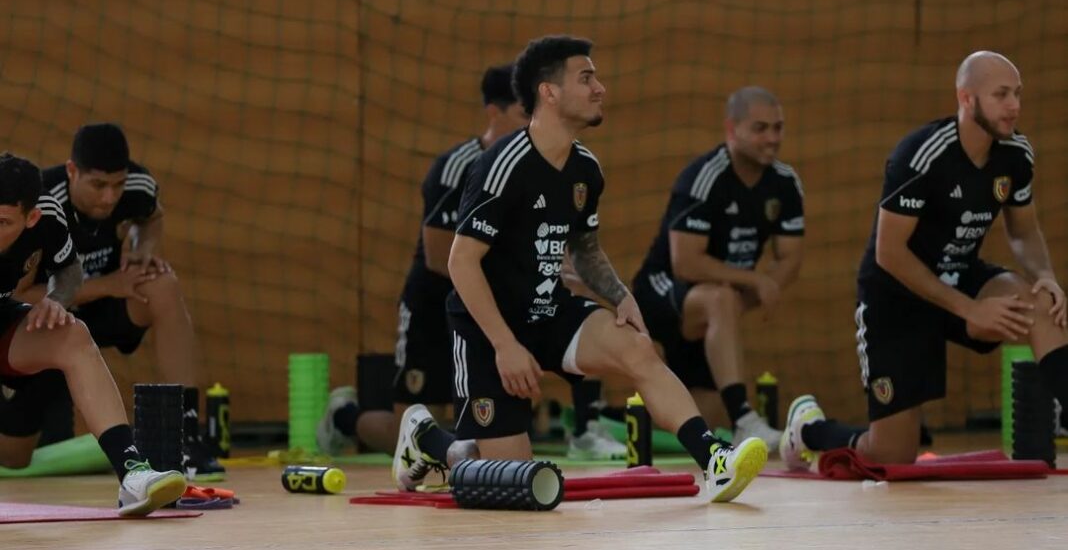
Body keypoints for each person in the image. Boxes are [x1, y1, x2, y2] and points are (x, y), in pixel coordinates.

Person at [391, 35, 767, 503]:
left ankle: (714, 460)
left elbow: (585, 248)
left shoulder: (586, 169)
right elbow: (460, 261)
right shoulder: (501, 166)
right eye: (586, 78)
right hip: (489, 331)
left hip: (550, 311)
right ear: (549, 92)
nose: (600, 88)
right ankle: (430, 441)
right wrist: (505, 346)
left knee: (638, 349)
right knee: (515, 483)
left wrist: (621, 296)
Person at [317, 64, 625, 461]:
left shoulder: (546, 164)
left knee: (576, 316)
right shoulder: (459, 164)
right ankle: (344, 417)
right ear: (494, 113)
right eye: (521, 113)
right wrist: (512, 278)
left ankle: (585, 427)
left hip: (496, 303)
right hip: (435, 300)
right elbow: (437, 253)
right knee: (413, 419)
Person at [781, 51, 1068, 469]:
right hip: (897, 295)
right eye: (1002, 94)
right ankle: (807, 431)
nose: (1015, 106)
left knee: (1043, 303)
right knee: (892, 456)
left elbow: (1023, 231)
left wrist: (1046, 276)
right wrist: (970, 309)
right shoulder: (921, 155)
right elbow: (889, 253)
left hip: (959, 275)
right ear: (967, 99)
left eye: (1018, 94)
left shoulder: (1016, 153)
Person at [17, 123, 221, 477]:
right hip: (49, 323)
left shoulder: (138, 186)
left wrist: (143, 250)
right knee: (24, 456)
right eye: (98, 185)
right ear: (71, 171)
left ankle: (187, 433)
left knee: (162, 284)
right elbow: (22, 296)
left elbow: (152, 217)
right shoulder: (40, 206)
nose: (110, 197)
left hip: (110, 307)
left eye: (117, 185)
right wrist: (110, 284)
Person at [0, 152, 185, 515]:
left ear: (31, 217)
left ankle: (133, 474)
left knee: (73, 335)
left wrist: (57, 299)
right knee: (12, 454)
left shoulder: (49, 216)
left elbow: (68, 272)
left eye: (2, 221)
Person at [631, 87, 803, 450]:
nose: (772, 138)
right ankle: (746, 421)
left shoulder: (785, 183)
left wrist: (746, 300)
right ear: (731, 129)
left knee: (703, 419)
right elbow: (685, 262)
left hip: (714, 304)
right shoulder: (705, 177)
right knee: (721, 297)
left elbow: (790, 259)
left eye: (778, 127)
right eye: (760, 128)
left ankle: (620, 418)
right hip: (660, 292)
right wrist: (753, 280)